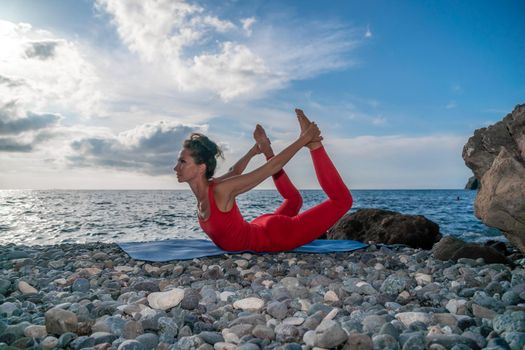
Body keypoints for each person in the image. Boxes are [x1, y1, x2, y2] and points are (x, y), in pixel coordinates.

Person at [174, 109, 352, 252]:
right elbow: (234, 171)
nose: (176, 167)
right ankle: (271, 149)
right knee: (294, 200)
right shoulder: (212, 188)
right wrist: (256, 150)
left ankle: (314, 146)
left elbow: (271, 168)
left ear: (201, 167)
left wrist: (305, 139)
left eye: (182, 162)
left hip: (277, 235)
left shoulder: (221, 190)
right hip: (261, 225)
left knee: (342, 201)